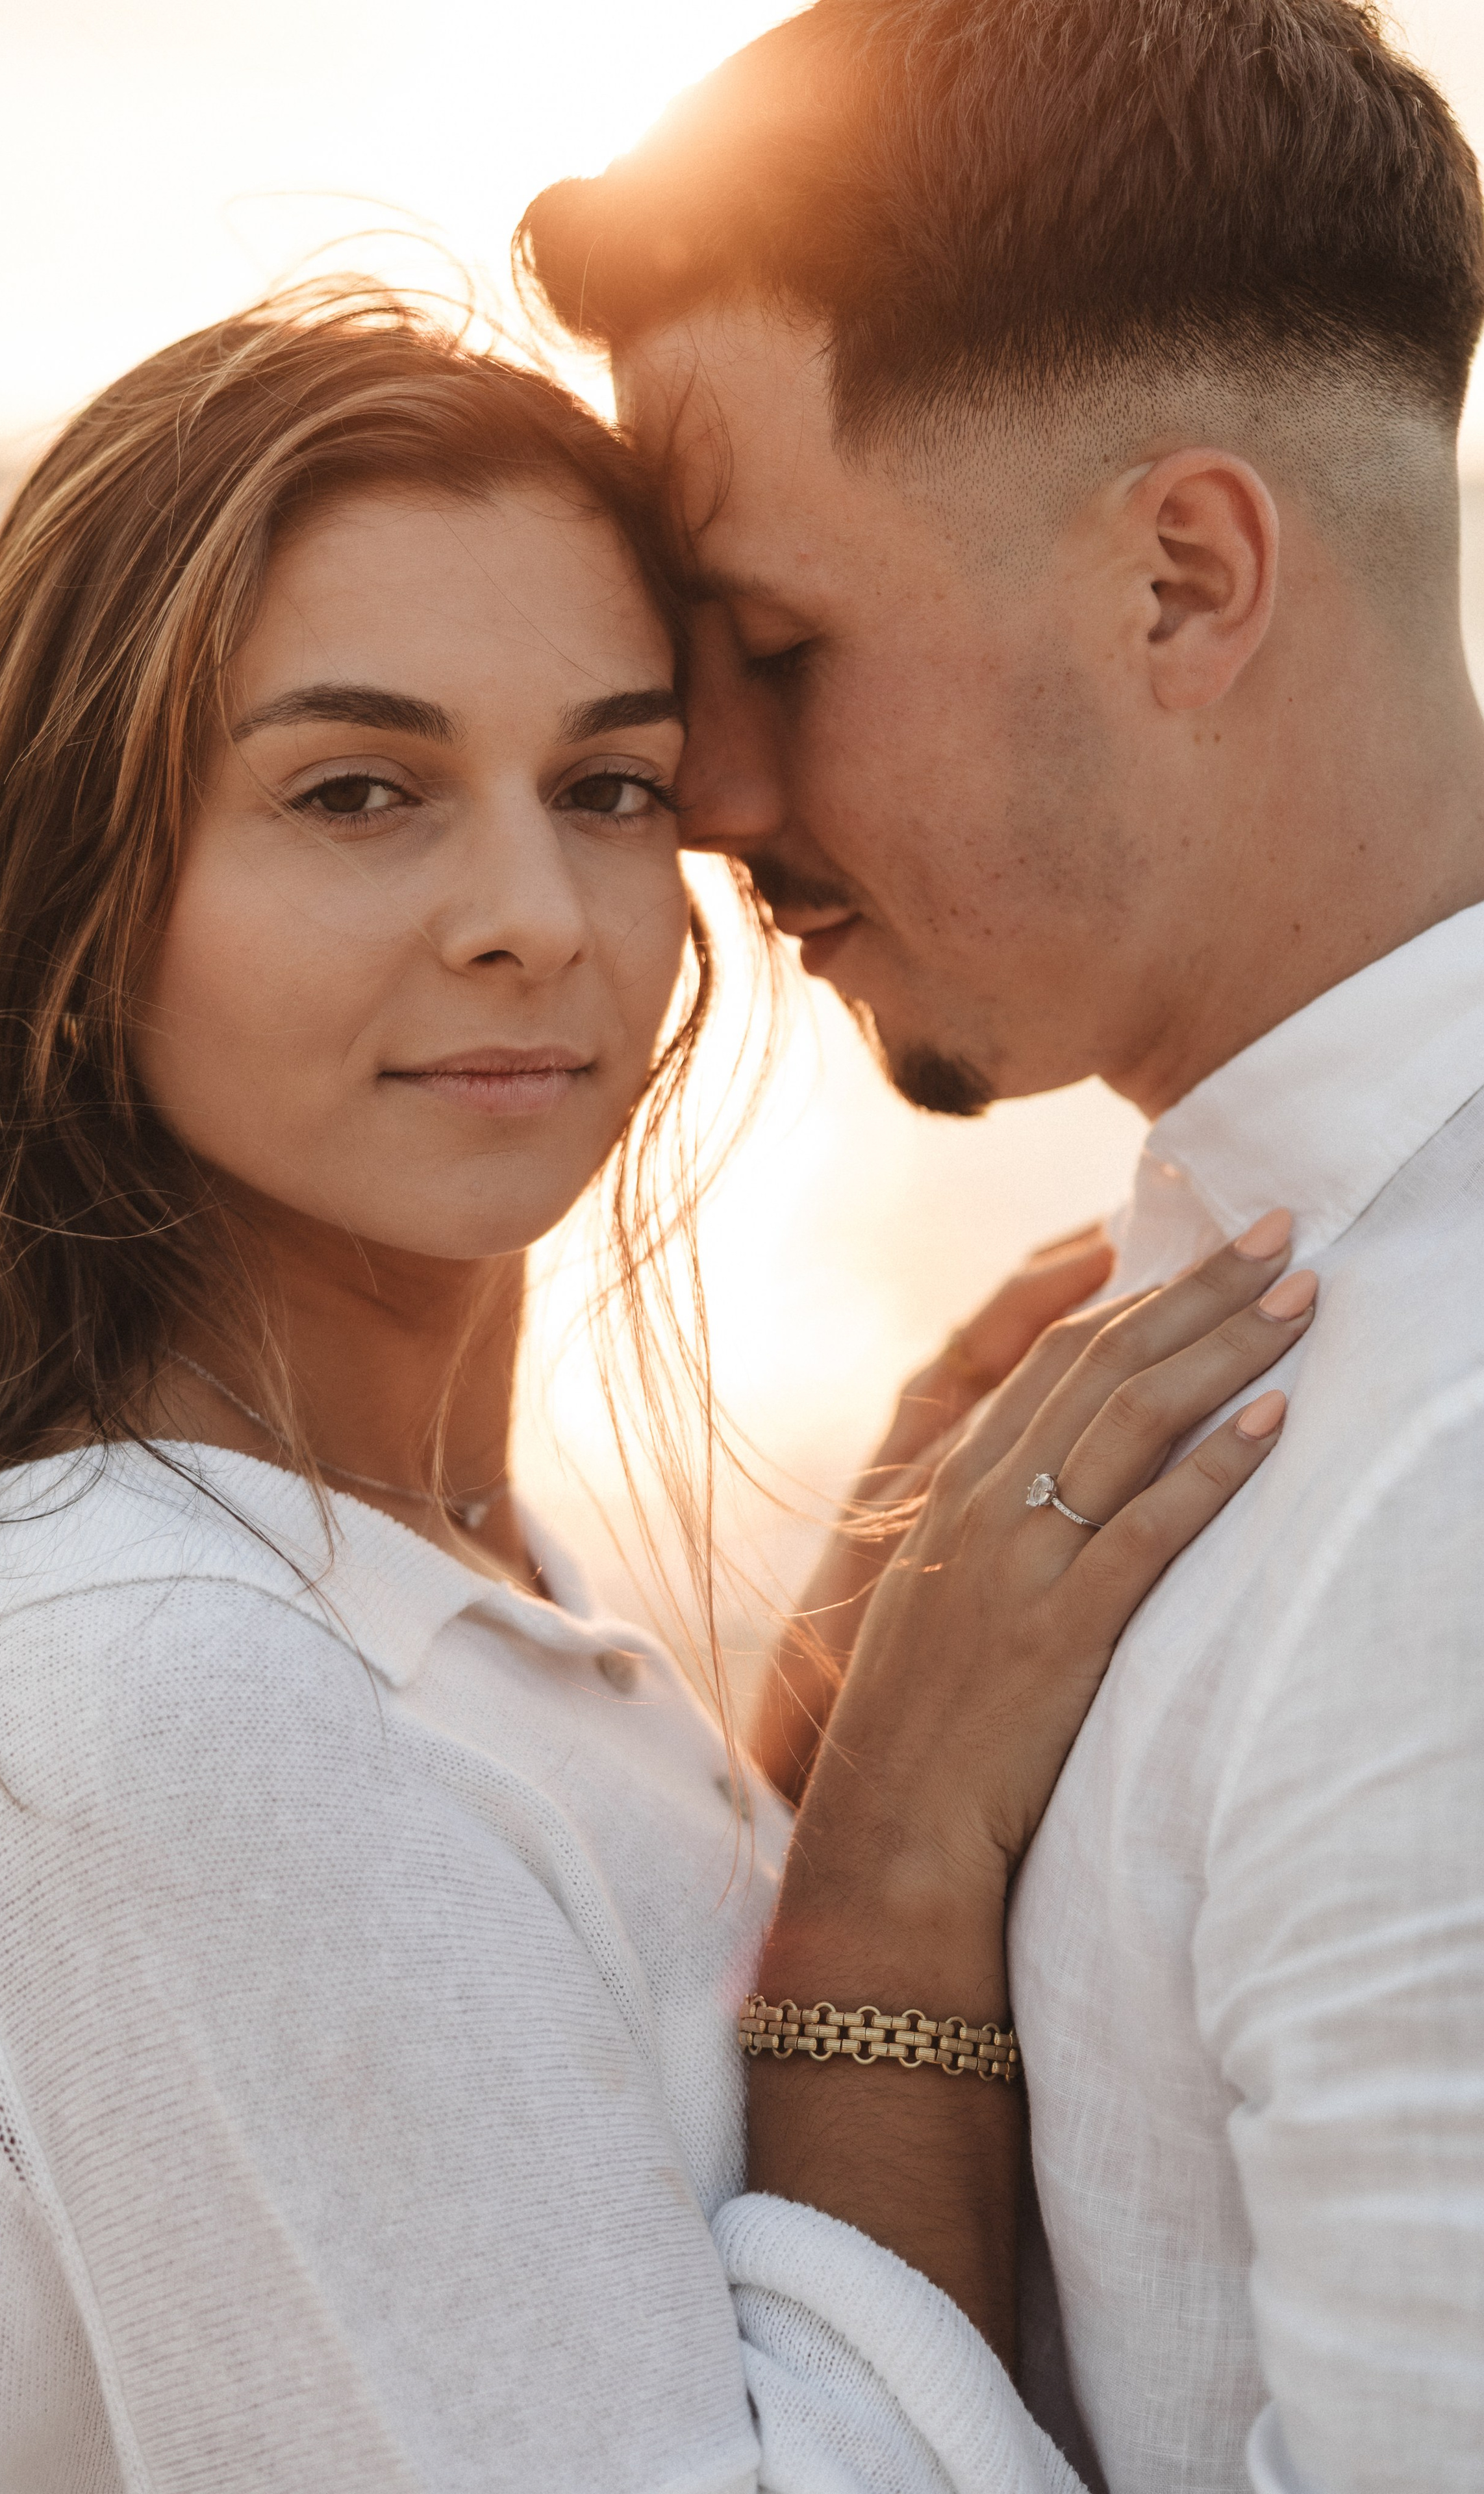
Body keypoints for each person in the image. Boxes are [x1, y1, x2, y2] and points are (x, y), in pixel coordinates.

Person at [0, 289, 1302, 2491]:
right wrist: (893, 1853)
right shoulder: (169, 1672)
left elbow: (584, 2180)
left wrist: (805, 1732)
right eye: (357, 791)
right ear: (80, 890)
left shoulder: (398, 1560)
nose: (537, 915)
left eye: (610, 787)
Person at [517, 1, 1484, 2487]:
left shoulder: (1443, 1488)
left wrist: (881, 1897)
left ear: (1184, 578)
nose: (705, 792)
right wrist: (823, 1776)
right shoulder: (1229, 1297)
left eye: (779, 648)